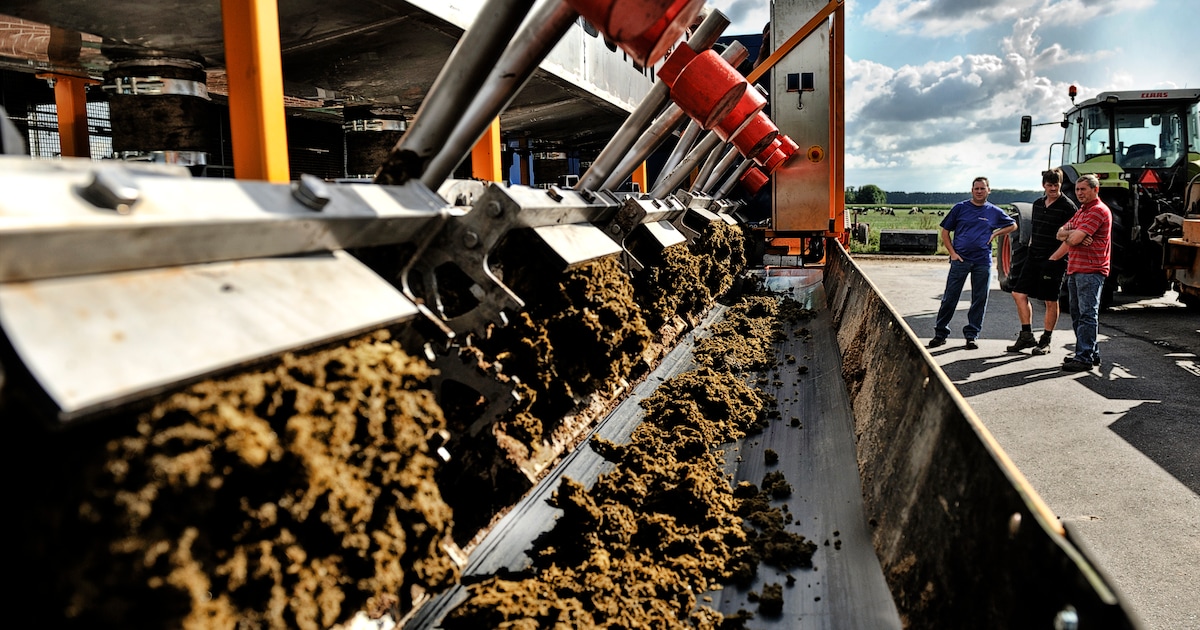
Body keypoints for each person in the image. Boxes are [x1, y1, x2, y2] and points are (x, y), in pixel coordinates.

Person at [928, 177, 1017, 349]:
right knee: (950, 297)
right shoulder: (960, 208)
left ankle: (972, 335)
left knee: (979, 299)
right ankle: (940, 333)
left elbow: (1013, 225)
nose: (979, 191)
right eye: (976, 188)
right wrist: (952, 253)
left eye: (982, 188)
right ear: (972, 190)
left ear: (988, 190)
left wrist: (995, 234)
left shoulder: (994, 211)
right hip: (960, 260)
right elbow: (945, 232)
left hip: (982, 261)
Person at [1005, 169, 1077, 354]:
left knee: (1050, 300)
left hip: (1054, 260)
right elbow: (1034, 232)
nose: (1053, 188)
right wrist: (1030, 250)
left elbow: (1071, 238)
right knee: (1018, 294)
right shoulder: (1037, 204)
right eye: (1049, 185)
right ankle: (1026, 336)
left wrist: (1054, 258)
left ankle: (1046, 340)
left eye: (1056, 185)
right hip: (1033, 256)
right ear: (1043, 185)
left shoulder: (1068, 207)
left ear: (1060, 185)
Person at [1051, 173, 1111, 372]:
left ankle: (1084, 357)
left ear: (1096, 189)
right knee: (1078, 314)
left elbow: (1073, 239)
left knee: (1087, 314)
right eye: (1077, 189)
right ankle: (1088, 353)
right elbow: (1060, 233)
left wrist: (1075, 235)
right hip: (1076, 268)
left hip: (1090, 270)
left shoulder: (1097, 211)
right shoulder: (1082, 212)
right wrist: (1074, 234)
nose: (1079, 193)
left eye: (1083, 189)